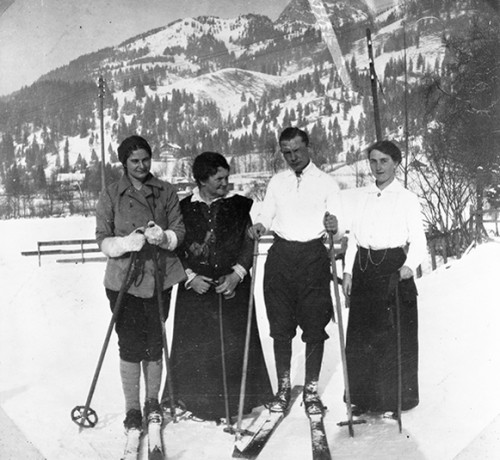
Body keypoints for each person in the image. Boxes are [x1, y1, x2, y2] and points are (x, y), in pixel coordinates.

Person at [170, 151, 272, 422]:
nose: (226, 183)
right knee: (198, 347)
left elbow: (248, 242)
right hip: (196, 289)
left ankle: (236, 405)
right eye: (219, 179)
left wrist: (237, 274)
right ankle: (198, 404)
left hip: (231, 287)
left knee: (233, 344)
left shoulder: (238, 206)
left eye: (227, 177)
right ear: (202, 180)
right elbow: (176, 248)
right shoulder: (183, 209)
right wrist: (190, 278)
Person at [248, 127, 343, 416]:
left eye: (297, 151)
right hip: (281, 257)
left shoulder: (327, 183)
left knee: (314, 326)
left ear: (308, 148)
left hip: (313, 257)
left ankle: (311, 390)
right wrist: (260, 224)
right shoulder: (277, 182)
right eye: (286, 153)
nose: (292, 157)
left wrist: (334, 227)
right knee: (280, 327)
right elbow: (267, 213)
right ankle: (284, 387)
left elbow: (337, 233)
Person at [95, 135, 186, 431]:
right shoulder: (111, 194)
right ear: (124, 163)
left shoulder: (165, 191)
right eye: (135, 160)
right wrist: (123, 243)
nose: (141, 165)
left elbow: (179, 230)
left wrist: (165, 237)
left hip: (160, 278)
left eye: (146, 159)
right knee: (130, 345)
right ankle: (132, 409)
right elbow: (102, 238)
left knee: (154, 343)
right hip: (123, 281)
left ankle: (153, 403)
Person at [333, 139, 427, 417]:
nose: (378, 167)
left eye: (384, 161)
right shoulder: (361, 196)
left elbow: (419, 242)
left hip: (393, 268)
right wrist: (348, 271)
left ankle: (392, 400)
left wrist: (408, 266)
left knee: (392, 336)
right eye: (373, 161)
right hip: (363, 267)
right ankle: (363, 400)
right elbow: (352, 239)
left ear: (396, 163)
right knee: (362, 336)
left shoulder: (407, 198)